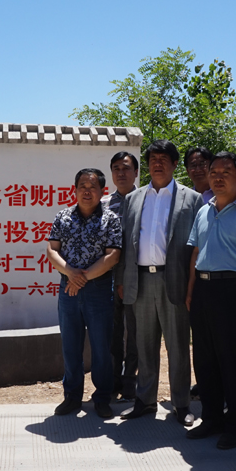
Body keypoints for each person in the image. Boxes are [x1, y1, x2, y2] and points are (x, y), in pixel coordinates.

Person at [115, 140, 203, 426]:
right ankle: (145, 400)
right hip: (139, 280)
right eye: (153, 158)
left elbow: (197, 246)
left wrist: (193, 286)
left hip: (174, 280)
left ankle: (181, 404)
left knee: (178, 347)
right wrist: (121, 279)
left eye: (164, 159)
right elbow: (125, 242)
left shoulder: (191, 199)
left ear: (175, 164)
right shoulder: (134, 198)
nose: (157, 163)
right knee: (144, 345)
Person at [184, 152, 236, 449]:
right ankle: (212, 418)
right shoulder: (204, 211)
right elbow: (195, 252)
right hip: (203, 291)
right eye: (214, 172)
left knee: (234, 361)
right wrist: (191, 290)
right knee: (205, 359)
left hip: (234, 291)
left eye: (226, 172)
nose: (218, 177)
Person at [46, 168, 123, 419]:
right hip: (68, 288)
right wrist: (70, 273)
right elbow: (52, 250)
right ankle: (72, 396)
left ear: (102, 191)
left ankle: (102, 397)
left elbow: (113, 256)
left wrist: (82, 279)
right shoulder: (63, 216)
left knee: (101, 347)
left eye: (92, 187)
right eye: (82, 186)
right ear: (75, 189)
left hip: (98, 289)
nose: (87, 191)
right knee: (70, 346)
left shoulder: (111, 219)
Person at [103, 151, 140, 401]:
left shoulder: (146, 200)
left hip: (137, 277)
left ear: (136, 172)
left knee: (135, 333)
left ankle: (130, 381)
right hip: (107, 278)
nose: (121, 173)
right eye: (116, 168)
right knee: (112, 332)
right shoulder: (103, 204)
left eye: (126, 168)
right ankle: (113, 379)